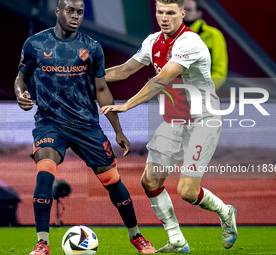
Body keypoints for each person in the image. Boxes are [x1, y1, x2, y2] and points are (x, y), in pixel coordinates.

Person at [14, 0, 155, 254]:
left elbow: (102, 89)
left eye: (79, 12)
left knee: (112, 180)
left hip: (86, 125)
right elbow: (21, 78)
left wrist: (117, 130)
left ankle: (136, 236)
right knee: (45, 169)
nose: (75, 16)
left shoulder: (92, 48)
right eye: (70, 10)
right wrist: (20, 94)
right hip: (50, 122)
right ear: (58, 11)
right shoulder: (35, 44)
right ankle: (42, 243)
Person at [100, 0, 237, 253]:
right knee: (150, 181)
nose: (164, 17)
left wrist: (127, 105)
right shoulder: (153, 41)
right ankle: (177, 240)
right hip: (173, 121)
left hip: (202, 122)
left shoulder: (190, 42)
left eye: (170, 12)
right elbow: (124, 70)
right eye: (160, 12)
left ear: (182, 14)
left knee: (187, 191)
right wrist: (86, 73)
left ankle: (226, 212)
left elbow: (162, 79)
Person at [183, 0, 228, 90]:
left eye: (188, 10)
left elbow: (219, 71)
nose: (184, 13)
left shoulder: (213, 35)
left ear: (198, 13)